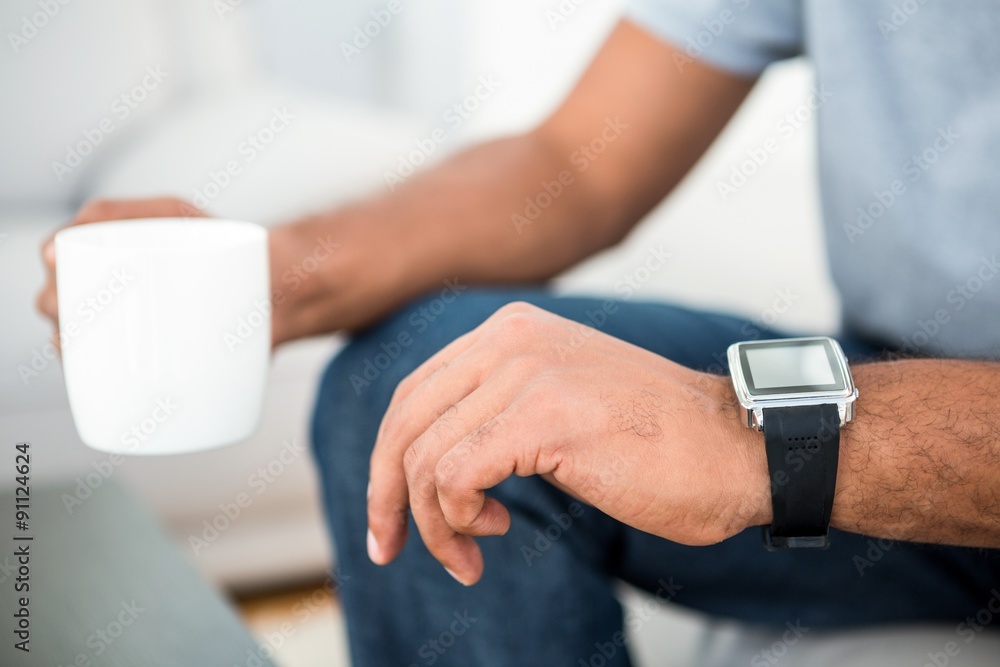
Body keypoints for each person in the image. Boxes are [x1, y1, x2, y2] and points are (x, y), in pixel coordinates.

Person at [38, 2, 1000, 665]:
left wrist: (746, 429)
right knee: (437, 383)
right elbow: (576, 166)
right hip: (890, 392)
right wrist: (276, 274)